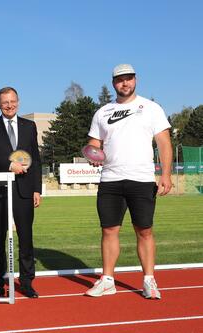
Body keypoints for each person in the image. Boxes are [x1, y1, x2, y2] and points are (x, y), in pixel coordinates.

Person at [85, 64, 172, 299]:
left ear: (136, 80)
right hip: (110, 179)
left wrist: (165, 174)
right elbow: (94, 144)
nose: (125, 83)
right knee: (109, 230)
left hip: (141, 179)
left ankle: (149, 280)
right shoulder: (102, 112)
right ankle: (108, 280)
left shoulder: (152, 108)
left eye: (129, 79)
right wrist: (92, 154)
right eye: (120, 80)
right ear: (114, 83)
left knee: (144, 230)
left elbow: (164, 142)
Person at [0, 87, 42, 298]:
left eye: (13, 101)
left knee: (26, 238)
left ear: (18, 101)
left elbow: (36, 158)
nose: (9, 105)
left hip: (24, 190)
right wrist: (10, 165)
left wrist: (37, 189)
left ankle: (27, 282)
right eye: (5, 102)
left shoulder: (29, 126)